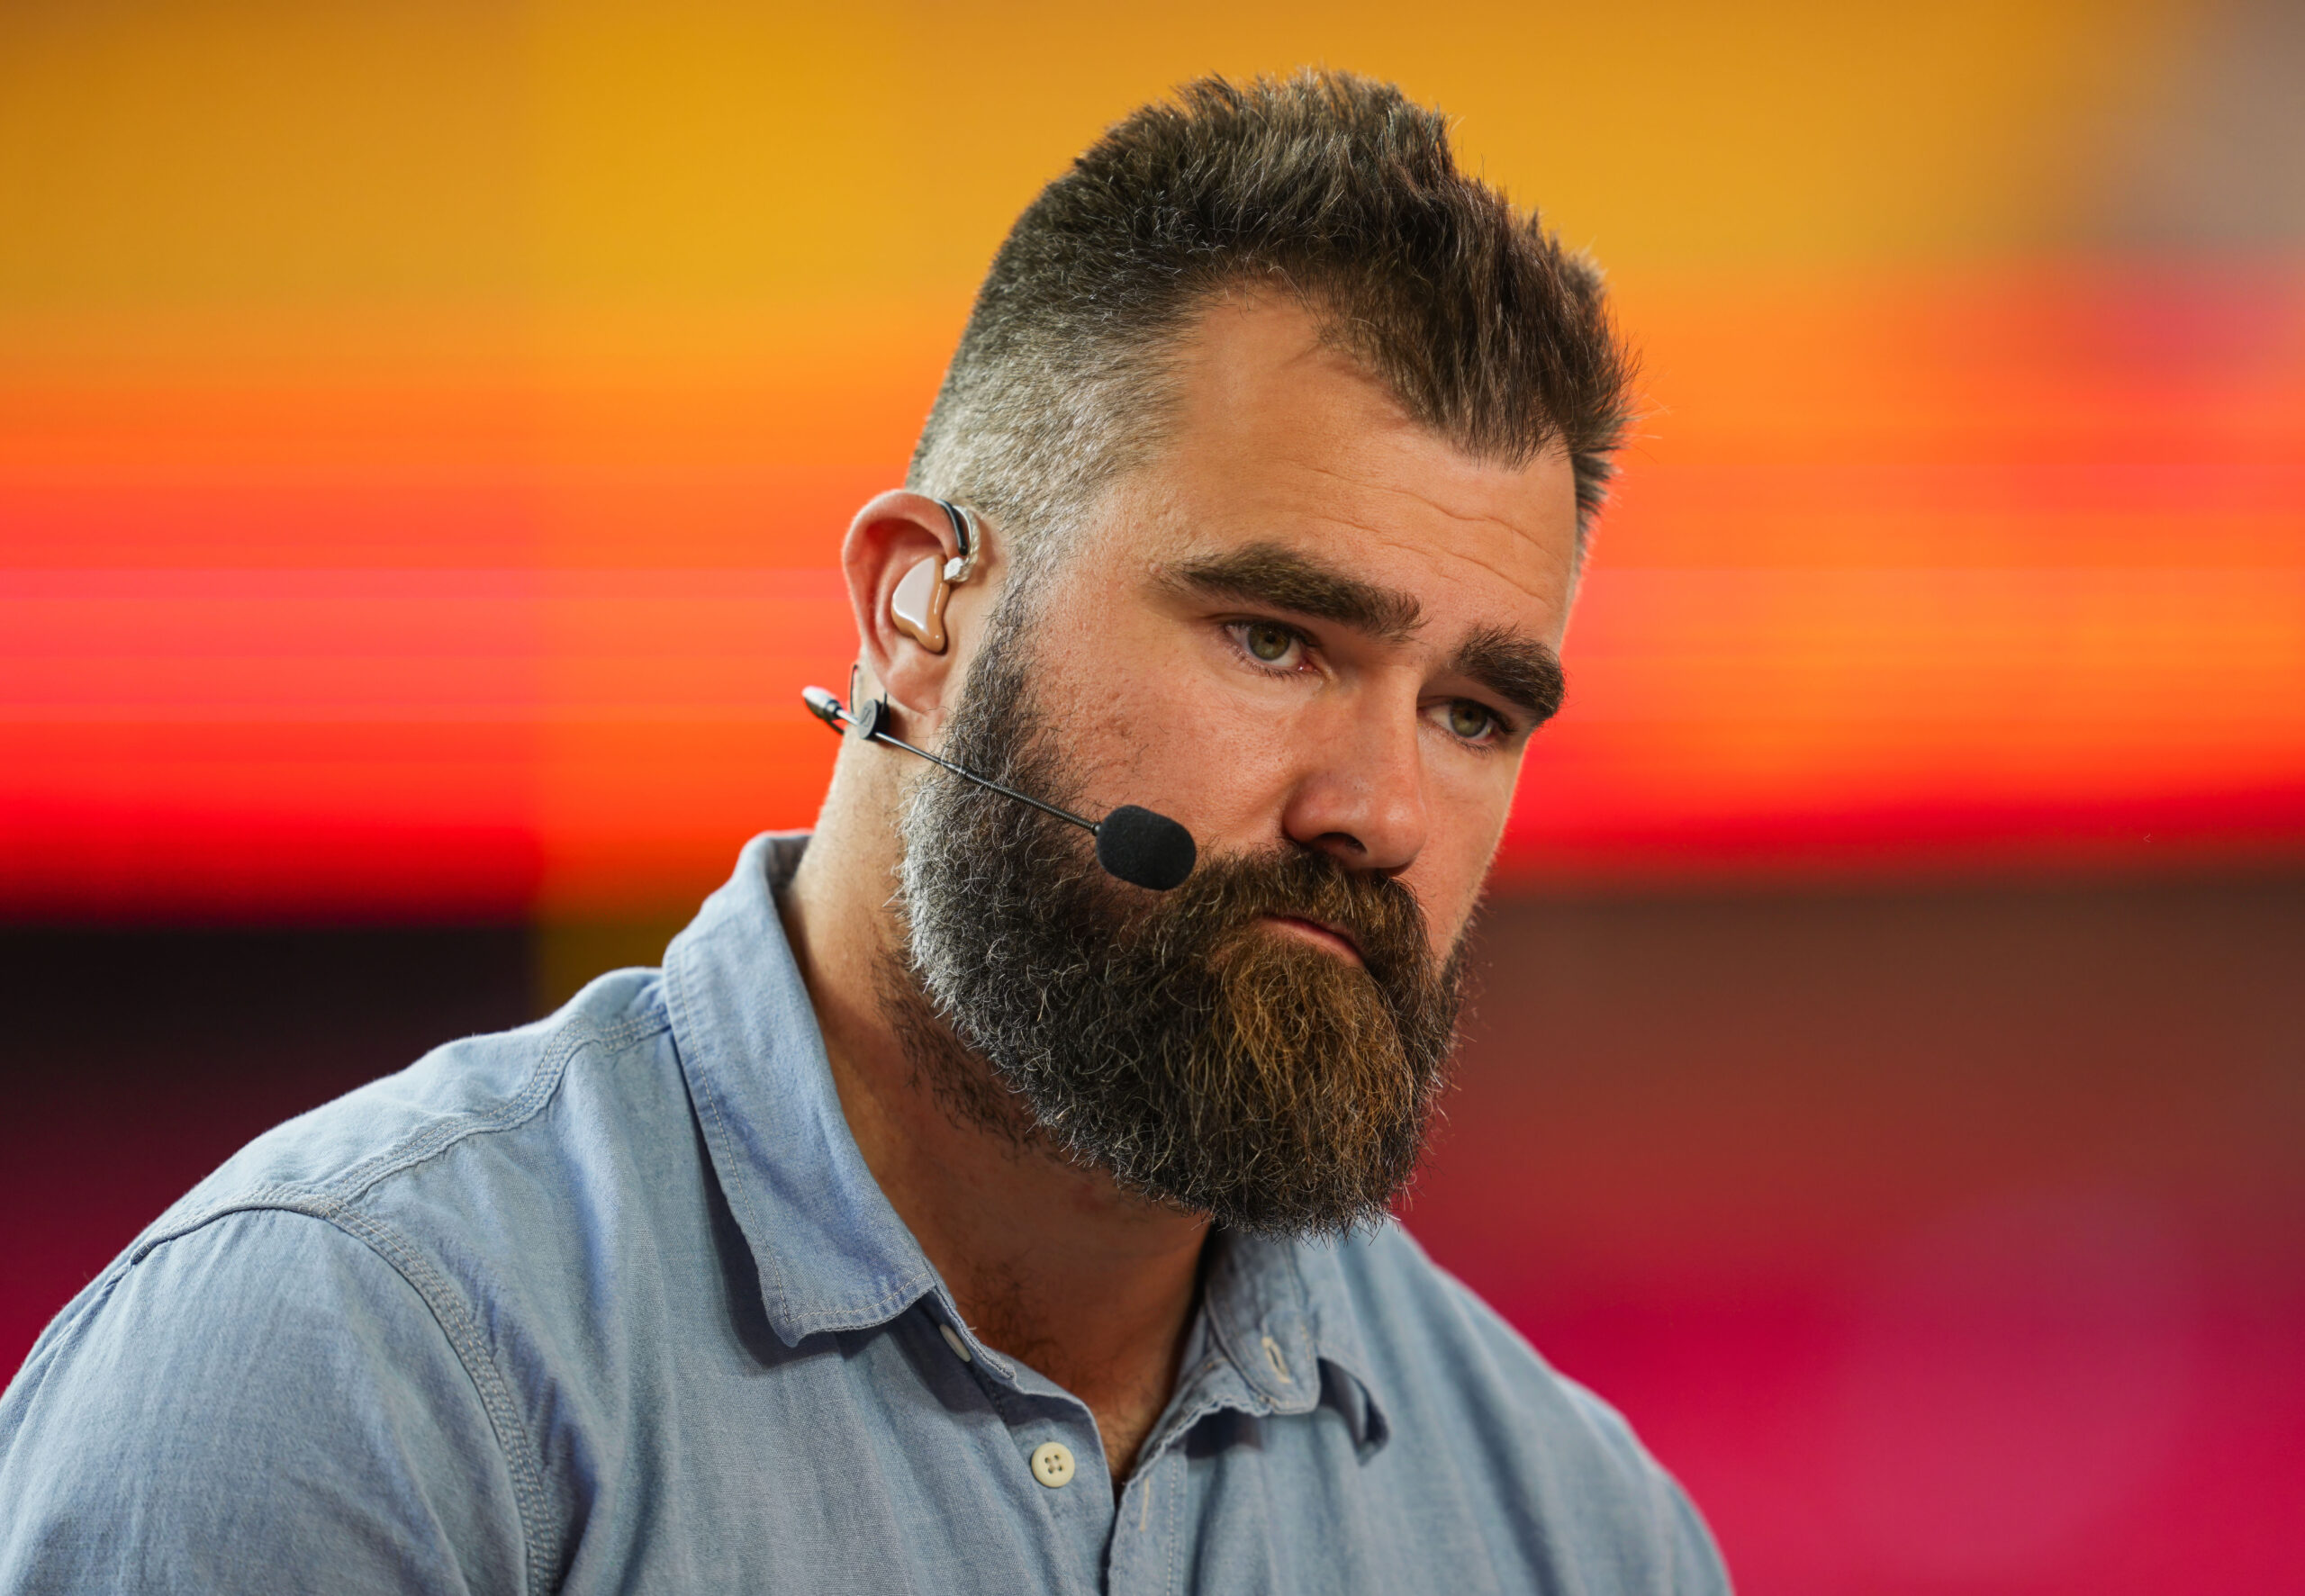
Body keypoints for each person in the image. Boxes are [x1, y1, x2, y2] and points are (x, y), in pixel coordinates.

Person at [0, 70, 1728, 1593]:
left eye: (1474, 711)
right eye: (1275, 638)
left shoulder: (1579, 1533)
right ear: (921, 607)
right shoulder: (349, 1378)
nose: (1382, 811)